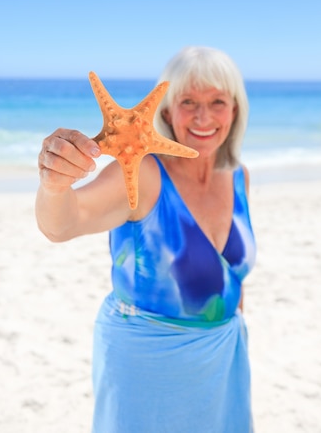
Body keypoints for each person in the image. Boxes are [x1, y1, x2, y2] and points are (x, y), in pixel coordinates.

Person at [35, 45, 256, 433]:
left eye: (217, 101)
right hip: (147, 363)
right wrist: (54, 185)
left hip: (222, 359)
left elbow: (232, 274)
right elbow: (64, 223)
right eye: (188, 101)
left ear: (234, 110)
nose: (204, 116)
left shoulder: (239, 177)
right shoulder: (145, 175)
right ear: (166, 111)